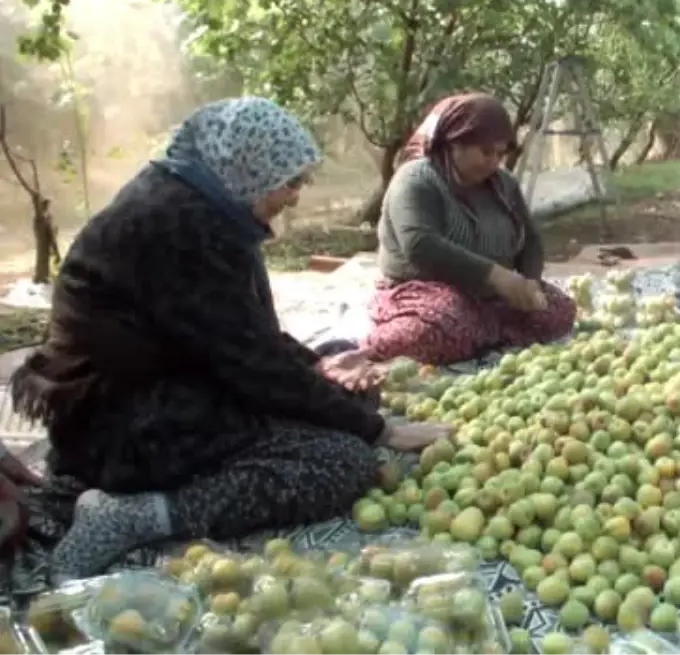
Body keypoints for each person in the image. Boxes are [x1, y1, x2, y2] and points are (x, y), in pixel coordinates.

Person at [6, 97, 449, 580]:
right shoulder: (183, 227)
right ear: (246, 167)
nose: (295, 195)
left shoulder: (199, 201)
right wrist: (381, 431)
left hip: (167, 379)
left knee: (341, 372)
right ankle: (135, 516)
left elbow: (238, 332)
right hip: (126, 422)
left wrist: (317, 369)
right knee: (342, 461)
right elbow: (250, 363)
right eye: (289, 181)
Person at [362, 92, 576, 365]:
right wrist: (496, 275)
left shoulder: (503, 185)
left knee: (557, 312)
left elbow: (530, 240)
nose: (493, 162)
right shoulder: (417, 179)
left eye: (500, 154)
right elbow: (420, 245)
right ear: (454, 143)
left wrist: (530, 283)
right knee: (436, 327)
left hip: (490, 297)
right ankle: (475, 331)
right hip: (426, 292)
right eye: (485, 152)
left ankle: (481, 330)